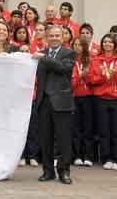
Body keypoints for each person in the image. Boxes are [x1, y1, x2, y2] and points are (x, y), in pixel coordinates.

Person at [32, 25, 76, 184]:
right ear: (46, 37)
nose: (54, 38)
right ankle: (48, 171)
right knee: (45, 139)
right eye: (51, 36)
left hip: (62, 102)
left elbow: (63, 68)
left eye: (57, 35)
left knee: (63, 139)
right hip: (43, 102)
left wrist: (43, 58)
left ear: (63, 37)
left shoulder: (68, 53)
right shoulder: (40, 54)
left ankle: (64, 171)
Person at [87, 33, 117, 171]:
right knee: (104, 130)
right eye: (105, 42)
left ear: (115, 45)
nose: (107, 44)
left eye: (110, 42)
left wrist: (116, 75)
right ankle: (106, 158)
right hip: (101, 99)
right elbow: (91, 80)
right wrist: (103, 76)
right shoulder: (96, 60)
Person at [70, 37, 95, 167]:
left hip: (88, 97)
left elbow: (95, 81)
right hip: (74, 96)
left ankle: (88, 156)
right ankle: (77, 155)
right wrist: (80, 76)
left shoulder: (90, 60)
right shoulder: (69, 61)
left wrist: (88, 76)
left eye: (80, 45)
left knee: (87, 127)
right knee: (76, 127)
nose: (77, 47)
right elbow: (70, 83)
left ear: (85, 47)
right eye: (75, 44)